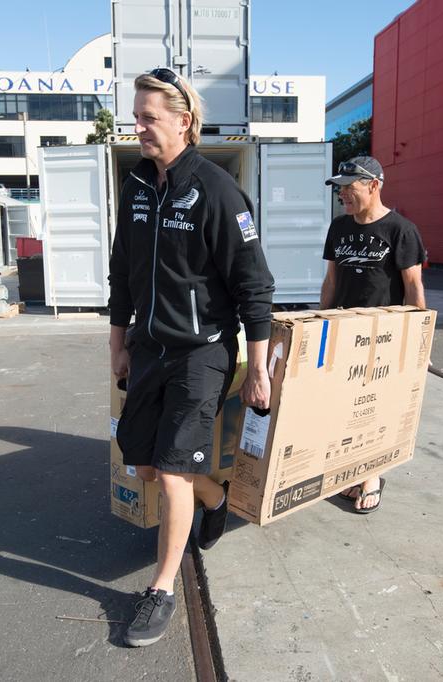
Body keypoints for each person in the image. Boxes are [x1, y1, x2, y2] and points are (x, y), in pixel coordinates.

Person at [108, 68, 274, 647]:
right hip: (148, 349)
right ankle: (215, 496)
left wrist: (259, 369)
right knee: (148, 464)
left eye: (148, 118)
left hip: (201, 355)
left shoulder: (219, 192)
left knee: (172, 470)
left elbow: (255, 286)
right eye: (137, 117)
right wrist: (118, 343)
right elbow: (121, 272)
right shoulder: (136, 185)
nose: (139, 128)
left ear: (184, 121)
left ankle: (161, 590)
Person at [320, 155, 426, 513]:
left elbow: (413, 286)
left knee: (377, 410)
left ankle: (372, 477)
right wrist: (321, 322)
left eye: (350, 188)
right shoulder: (339, 227)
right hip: (344, 332)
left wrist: (419, 338)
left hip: (385, 335)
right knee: (347, 408)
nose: (343, 196)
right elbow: (332, 280)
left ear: (374, 185)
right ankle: (353, 470)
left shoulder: (401, 230)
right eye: (340, 190)